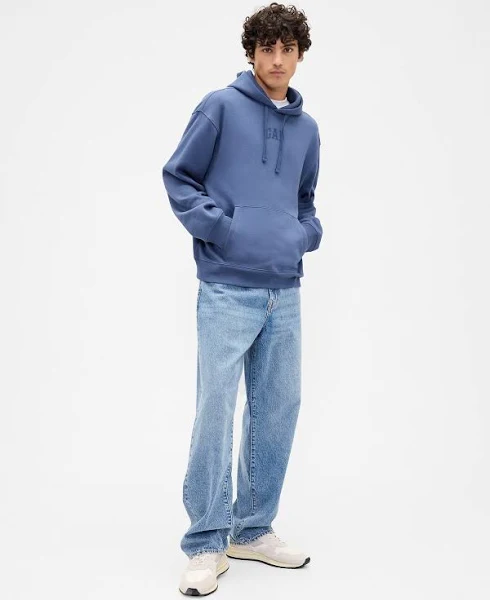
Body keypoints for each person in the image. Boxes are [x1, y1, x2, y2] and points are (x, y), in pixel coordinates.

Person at [162, 3, 323, 595]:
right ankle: (206, 541)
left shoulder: (308, 129)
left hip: (285, 289)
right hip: (227, 287)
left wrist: (304, 235)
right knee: (215, 411)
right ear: (251, 53)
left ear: (299, 55)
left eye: (287, 49)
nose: (277, 59)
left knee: (278, 408)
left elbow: (304, 200)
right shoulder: (220, 107)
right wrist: (225, 231)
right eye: (266, 48)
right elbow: (179, 177)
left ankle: (251, 528)